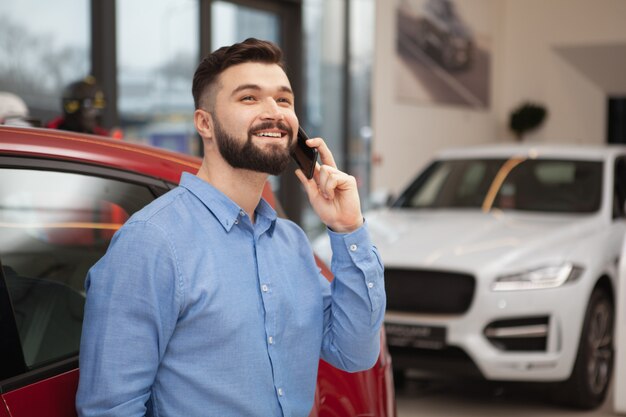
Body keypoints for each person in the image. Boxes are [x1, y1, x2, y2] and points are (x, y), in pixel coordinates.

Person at [76, 38, 385, 417]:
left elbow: (354, 353)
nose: (274, 112)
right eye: (249, 98)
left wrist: (348, 228)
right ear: (204, 122)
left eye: (284, 100)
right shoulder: (151, 242)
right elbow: (110, 408)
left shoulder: (292, 242)